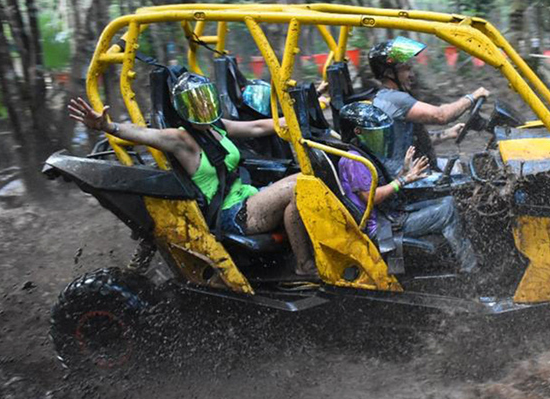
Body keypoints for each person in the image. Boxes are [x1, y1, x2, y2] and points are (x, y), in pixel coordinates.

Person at [68, 72, 317, 277]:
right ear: (183, 108)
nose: (203, 106)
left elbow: (259, 126)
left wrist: (303, 116)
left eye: (205, 98)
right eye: (194, 102)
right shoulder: (181, 139)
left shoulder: (217, 127)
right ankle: (304, 268)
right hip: (231, 214)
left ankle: (308, 263)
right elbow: (143, 134)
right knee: (301, 184)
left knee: (309, 184)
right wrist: (107, 126)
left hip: (250, 197)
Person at [336, 102, 478, 273]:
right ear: (358, 132)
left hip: (389, 215)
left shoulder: (361, 154)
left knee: (449, 201)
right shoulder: (353, 160)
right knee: (447, 211)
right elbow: (370, 198)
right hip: (380, 227)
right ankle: (471, 270)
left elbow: (378, 188)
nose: (381, 137)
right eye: (377, 133)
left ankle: (456, 260)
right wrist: (403, 180)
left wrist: (404, 172)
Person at [368, 36, 491, 173]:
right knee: (475, 176)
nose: (411, 75)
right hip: (406, 176)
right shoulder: (396, 99)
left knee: (470, 167)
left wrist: (447, 133)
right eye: (406, 69)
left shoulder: (385, 98)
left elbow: (413, 142)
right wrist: (473, 97)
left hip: (410, 167)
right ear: (390, 73)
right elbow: (441, 116)